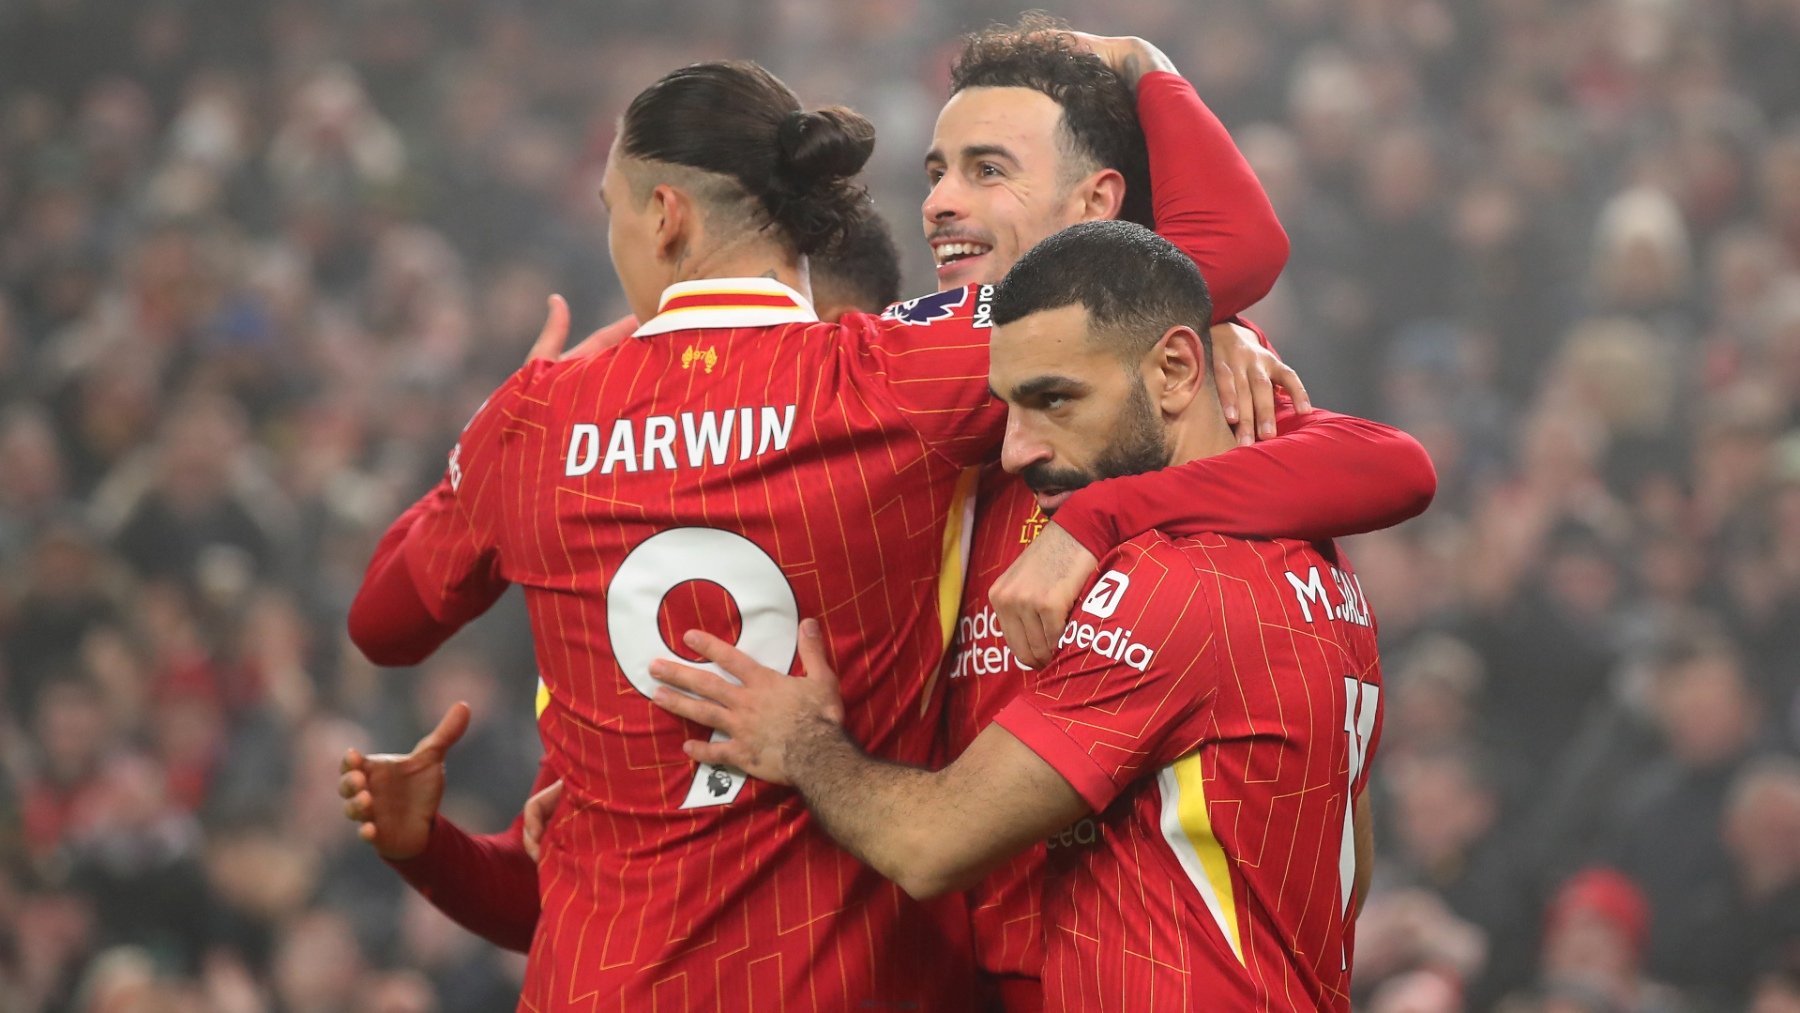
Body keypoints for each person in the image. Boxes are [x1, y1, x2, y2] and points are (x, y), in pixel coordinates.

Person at [345, 25, 1435, 1010]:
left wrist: (1104, 516)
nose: (941, 202)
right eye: (936, 172)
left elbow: (1383, 460)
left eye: (984, 170)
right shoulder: (913, 378)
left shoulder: (1150, 399)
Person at [649, 220, 1386, 1012]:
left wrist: (802, 742)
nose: (1016, 449)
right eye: (1008, 407)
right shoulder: (1316, 559)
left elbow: (929, 844)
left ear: (1175, 369)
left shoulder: (1173, 587)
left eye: (1055, 399)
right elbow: (1353, 857)